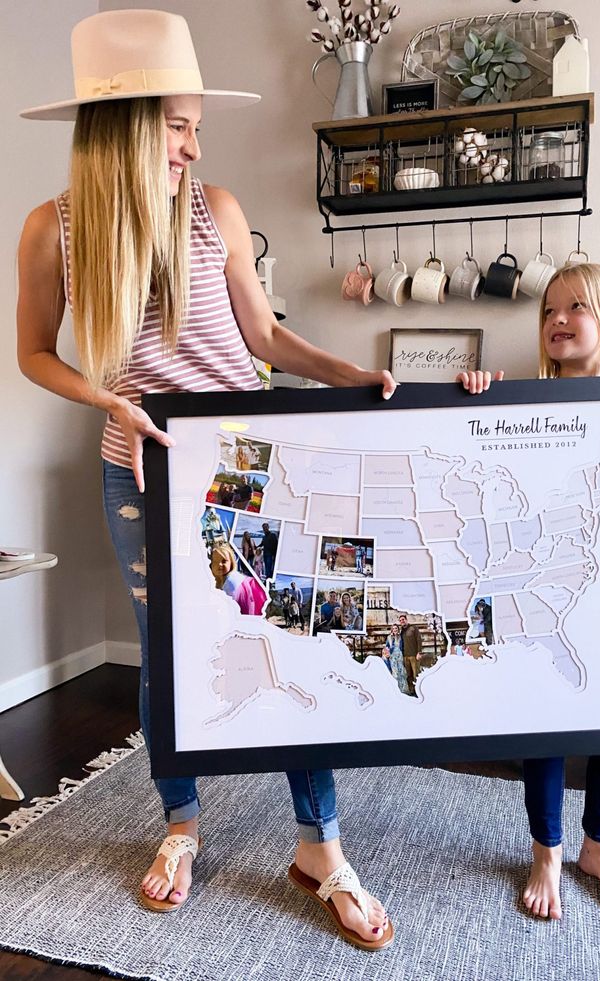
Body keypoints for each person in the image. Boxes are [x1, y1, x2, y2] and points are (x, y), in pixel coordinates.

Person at [16, 8, 399, 947]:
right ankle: (181, 825)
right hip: (141, 474)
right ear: (128, 126)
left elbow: (264, 339)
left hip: (248, 473)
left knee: (295, 644)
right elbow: (32, 353)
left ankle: (320, 845)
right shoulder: (52, 228)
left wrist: (353, 374)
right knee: (170, 658)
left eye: (194, 127)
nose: (193, 145)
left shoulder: (213, 211)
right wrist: (107, 401)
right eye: (179, 124)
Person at [460, 262, 600, 922]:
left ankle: (598, 845)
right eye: (548, 311)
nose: (556, 319)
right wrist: (473, 396)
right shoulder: (521, 402)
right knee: (546, 721)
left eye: (576, 307)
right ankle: (546, 850)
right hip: (545, 584)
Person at [209, 543, 267, 616]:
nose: (219, 564)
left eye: (224, 561)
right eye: (215, 562)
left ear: (231, 562)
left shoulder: (232, 584)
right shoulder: (220, 581)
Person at [382, 623, 410, 695]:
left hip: (399, 655)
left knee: (401, 670)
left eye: (396, 628)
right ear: (392, 630)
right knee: (395, 671)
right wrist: (386, 652)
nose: (395, 630)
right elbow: (387, 646)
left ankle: (403, 689)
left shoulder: (400, 637)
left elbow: (403, 646)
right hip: (392, 656)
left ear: (398, 629)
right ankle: (395, 689)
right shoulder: (389, 637)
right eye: (393, 628)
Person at [398, 613, 423, 693]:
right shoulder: (401, 631)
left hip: (414, 656)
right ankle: (411, 691)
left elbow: (419, 640)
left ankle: (418, 691)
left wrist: (419, 652)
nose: (402, 621)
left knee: (416, 674)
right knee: (408, 675)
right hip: (405, 657)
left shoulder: (413, 628)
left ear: (406, 620)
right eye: (400, 620)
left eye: (403, 620)